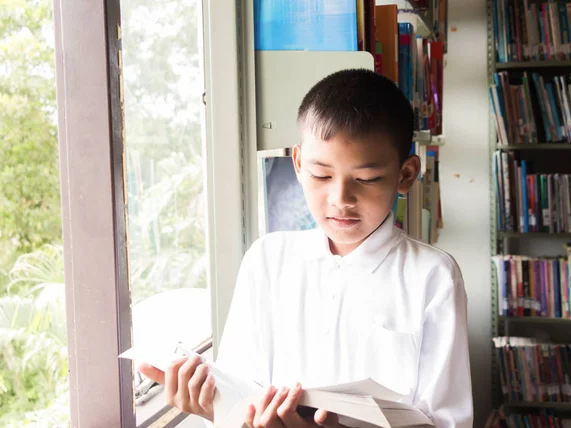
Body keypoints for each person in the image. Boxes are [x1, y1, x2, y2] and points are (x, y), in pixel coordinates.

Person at [139, 69, 474, 428]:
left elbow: (448, 420)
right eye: (321, 175)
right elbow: (241, 395)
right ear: (298, 164)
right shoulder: (267, 260)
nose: (341, 199)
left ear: (406, 175)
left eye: (367, 179)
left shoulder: (433, 275)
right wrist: (213, 408)